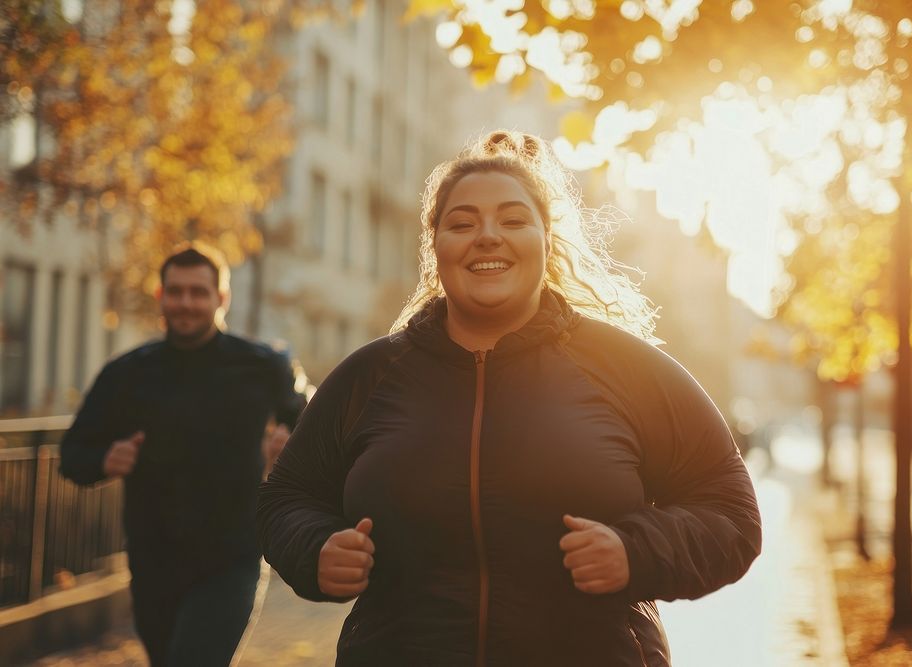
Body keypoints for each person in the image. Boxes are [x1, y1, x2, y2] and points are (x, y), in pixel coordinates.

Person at [257, 131, 762, 666]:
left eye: (514, 220)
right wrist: (317, 549)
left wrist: (635, 552)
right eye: (462, 223)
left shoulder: (627, 369)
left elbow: (730, 512)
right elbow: (284, 498)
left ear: (547, 239)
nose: (487, 237)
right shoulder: (371, 375)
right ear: (436, 247)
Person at [61, 244, 306, 667]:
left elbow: (311, 425)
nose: (186, 303)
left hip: (232, 557)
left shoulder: (261, 367)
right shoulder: (126, 374)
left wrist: (289, 441)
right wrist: (105, 459)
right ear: (161, 297)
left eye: (198, 292)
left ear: (221, 299)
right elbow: (72, 454)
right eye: (176, 292)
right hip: (153, 560)